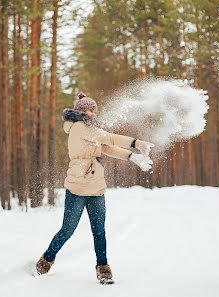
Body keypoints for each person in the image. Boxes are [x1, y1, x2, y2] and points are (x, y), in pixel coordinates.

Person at [35, 92, 154, 284]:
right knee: (67, 230)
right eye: (88, 110)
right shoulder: (79, 128)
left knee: (99, 230)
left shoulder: (90, 129)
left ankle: (103, 267)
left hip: (96, 188)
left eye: (93, 110)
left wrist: (132, 157)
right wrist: (135, 143)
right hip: (77, 188)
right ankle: (46, 260)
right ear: (81, 112)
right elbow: (109, 138)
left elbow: (106, 147)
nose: (92, 113)